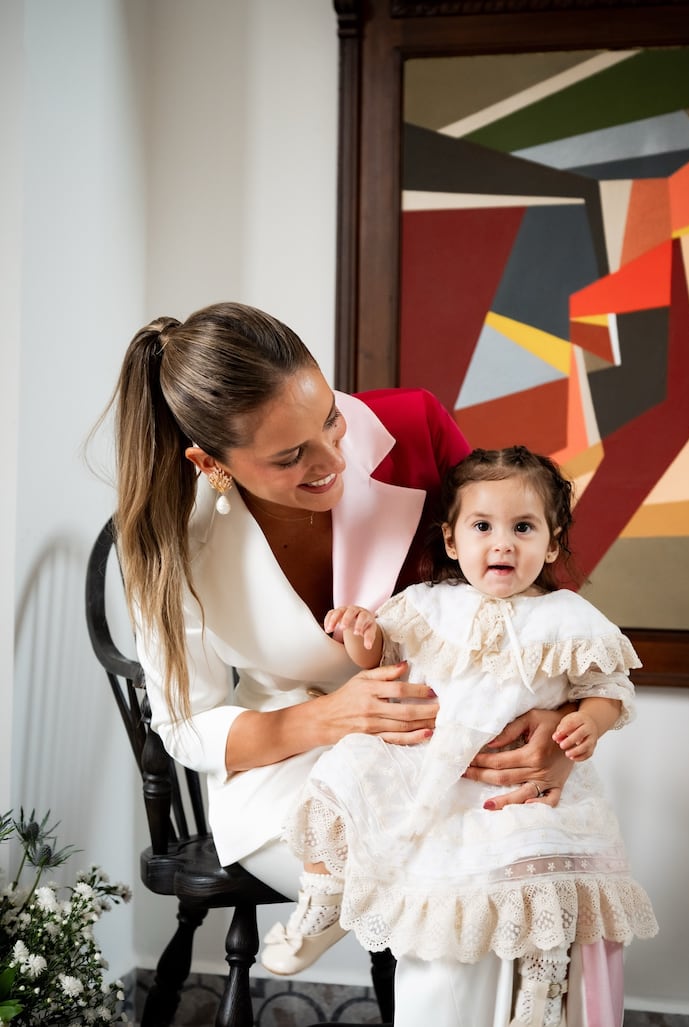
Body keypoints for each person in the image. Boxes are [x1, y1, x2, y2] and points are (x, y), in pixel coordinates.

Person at [102, 302, 626, 1027]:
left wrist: (559, 729)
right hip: (296, 772)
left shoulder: (413, 428)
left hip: (460, 746)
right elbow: (188, 726)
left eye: (331, 422)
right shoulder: (169, 545)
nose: (331, 459)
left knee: (516, 878)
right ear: (210, 462)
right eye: (289, 458)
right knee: (449, 900)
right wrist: (328, 716)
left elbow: (536, 590)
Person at [262, 446, 658, 1027]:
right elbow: (380, 659)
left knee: (536, 852)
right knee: (345, 768)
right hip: (428, 766)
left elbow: (609, 687)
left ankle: (538, 993)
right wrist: (361, 633)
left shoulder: (566, 617)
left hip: (513, 782)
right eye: (483, 526)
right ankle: (322, 902)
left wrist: (588, 722)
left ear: (550, 544)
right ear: (452, 541)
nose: (502, 543)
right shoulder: (427, 605)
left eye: (523, 527)